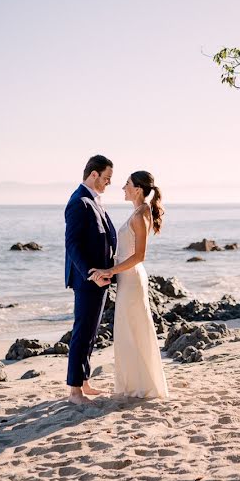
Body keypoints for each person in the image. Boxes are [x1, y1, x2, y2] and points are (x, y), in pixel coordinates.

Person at [88, 170, 169, 399]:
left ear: (138, 189)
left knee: (133, 330)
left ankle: (139, 386)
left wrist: (110, 270)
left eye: (127, 184)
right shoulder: (138, 212)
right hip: (127, 278)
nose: (123, 187)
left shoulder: (140, 214)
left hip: (132, 279)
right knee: (129, 330)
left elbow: (139, 255)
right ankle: (134, 384)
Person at [64, 154, 116, 405]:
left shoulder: (95, 200)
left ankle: (84, 381)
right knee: (82, 331)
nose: (108, 183)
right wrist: (91, 273)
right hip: (88, 280)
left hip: (101, 279)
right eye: (106, 178)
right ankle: (75, 392)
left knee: (91, 332)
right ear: (93, 174)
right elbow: (72, 245)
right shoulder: (78, 202)